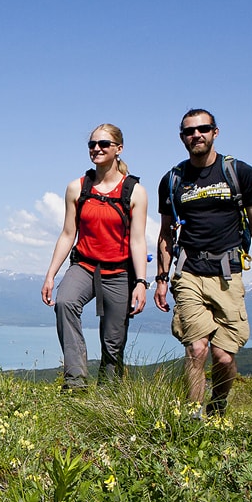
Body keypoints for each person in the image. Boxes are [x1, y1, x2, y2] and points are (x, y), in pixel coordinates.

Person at [154, 108, 252, 416]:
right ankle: (193, 418)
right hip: (189, 271)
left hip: (228, 273)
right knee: (196, 349)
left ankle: (217, 407)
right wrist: (161, 278)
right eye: (189, 131)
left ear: (215, 132)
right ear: (182, 137)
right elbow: (166, 233)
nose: (197, 135)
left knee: (223, 356)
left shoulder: (240, 173)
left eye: (203, 129)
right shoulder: (173, 180)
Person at [41, 123, 148, 389]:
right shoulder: (77, 188)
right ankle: (75, 382)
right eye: (92, 145)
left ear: (118, 149)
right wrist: (51, 275)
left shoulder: (134, 192)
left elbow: (137, 240)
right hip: (85, 266)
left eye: (103, 144)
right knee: (65, 303)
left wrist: (141, 283)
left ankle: (108, 397)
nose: (97, 149)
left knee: (113, 342)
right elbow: (68, 234)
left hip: (120, 271)